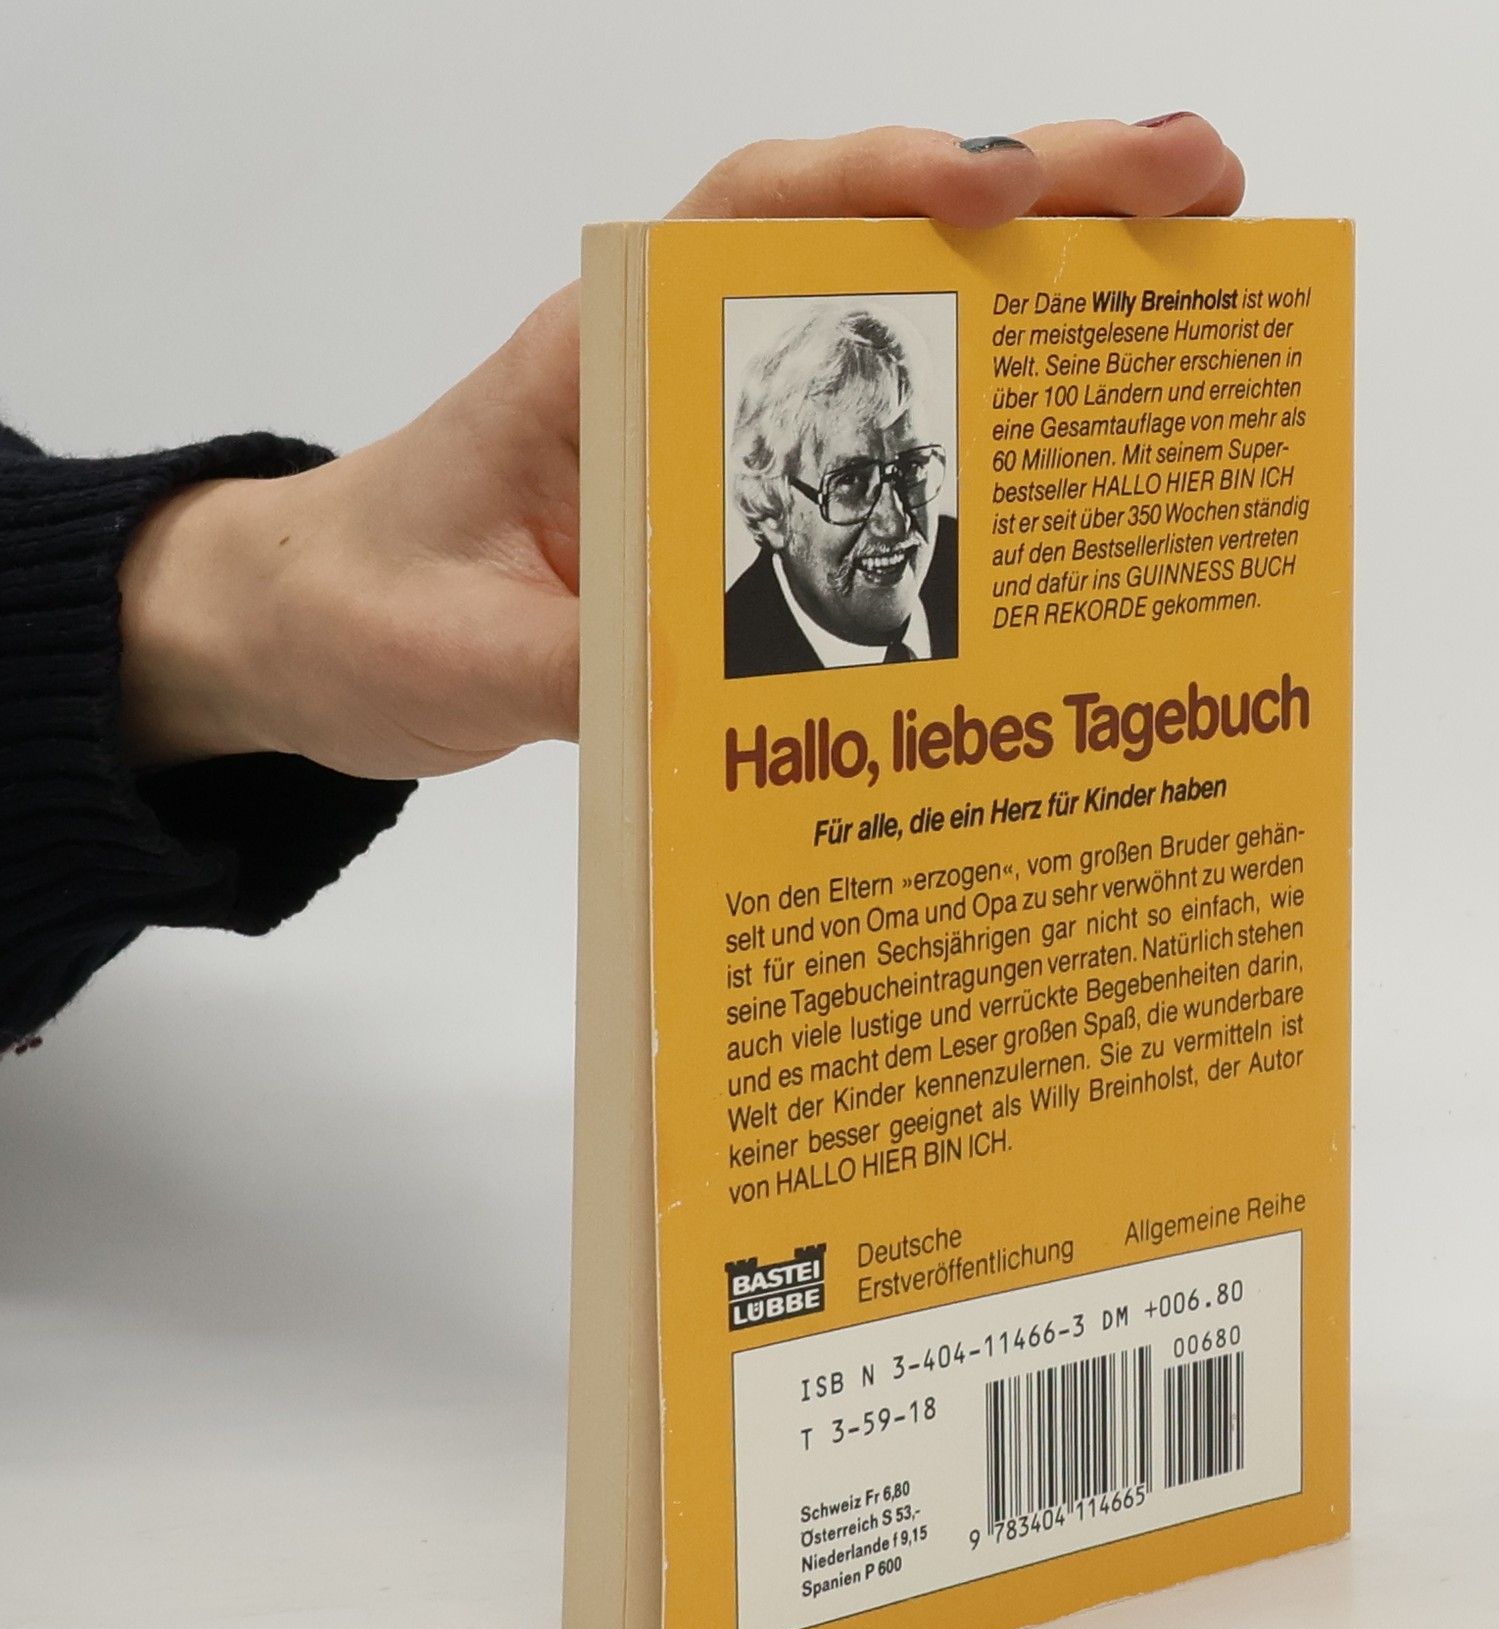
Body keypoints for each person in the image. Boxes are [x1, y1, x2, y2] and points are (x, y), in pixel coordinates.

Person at [0, 117, 1243, 1056]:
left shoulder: (1005, 598)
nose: (900, 518)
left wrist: (234, 607)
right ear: (764, 502)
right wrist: (228, 619)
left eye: (911, 467)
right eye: (850, 482)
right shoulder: (722, 646)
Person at [725, 301, 956, 677]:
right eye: (850, 482)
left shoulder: (973, 566)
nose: (894, 523)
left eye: (911, 467)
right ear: (772, 508)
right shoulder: (729, 658)